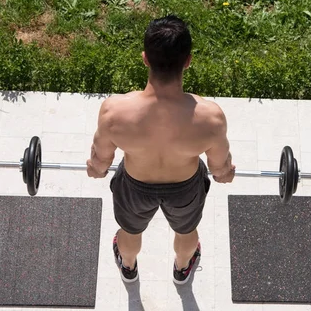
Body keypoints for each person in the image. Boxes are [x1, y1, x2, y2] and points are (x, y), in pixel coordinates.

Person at [86, 15, 236, 285]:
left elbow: (101, 161)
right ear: (188, 61)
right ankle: (182, 268)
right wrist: (226, 173)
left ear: (145, 58)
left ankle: (128, 267)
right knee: (187, 230)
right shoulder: (210, 118)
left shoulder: (114, 112)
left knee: (129, 233)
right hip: (185, 188)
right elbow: (219, 169)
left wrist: (96, 170)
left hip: (134, 186)